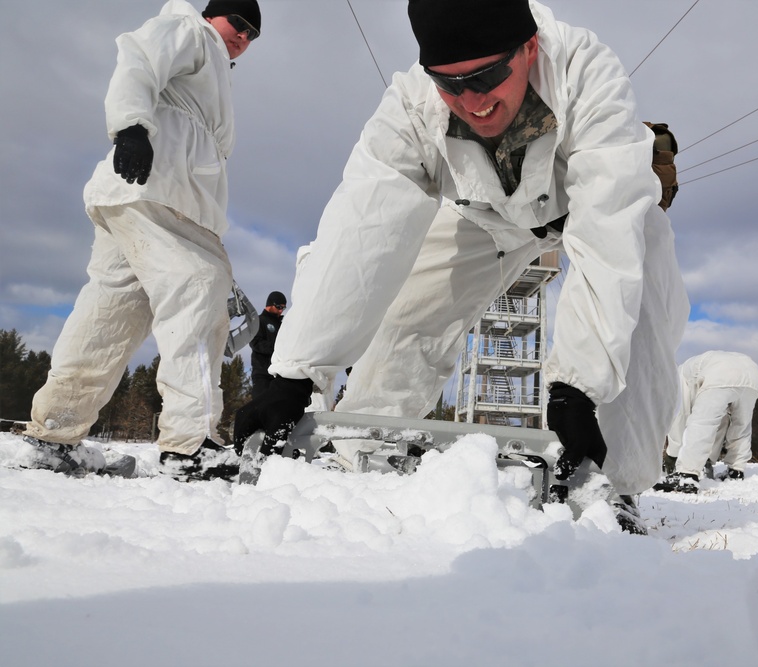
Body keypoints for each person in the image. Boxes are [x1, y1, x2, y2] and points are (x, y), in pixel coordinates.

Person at [235, 0, 689, 526]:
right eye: (450, 84)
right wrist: (295, 371)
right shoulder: (412, 107)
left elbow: (605, 230)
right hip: (485, 213)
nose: (472, 101)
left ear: (529, 48)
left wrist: (577, 388)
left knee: (635, 304)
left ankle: (610, 483)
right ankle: (363, 452)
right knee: (408, 309)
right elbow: (361, 230)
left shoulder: (586, 74)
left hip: (592, 208)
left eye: (488, 76)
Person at [21, 0, 262, 481]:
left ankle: (54, 433)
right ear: (214, 15)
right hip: (161, 192)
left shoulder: (213, 67)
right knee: (199, 286)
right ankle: (189, 445)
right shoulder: (191, 32)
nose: (244, 37)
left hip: (140, 198)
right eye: (238, 23)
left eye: (253, 34)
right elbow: (140, 58)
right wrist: (132, 126)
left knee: (110, 313)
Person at [656, 351, 758, 494]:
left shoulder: (678, 378)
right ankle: (736, 470)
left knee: (702, 422)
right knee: (741, 425)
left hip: (722, 374)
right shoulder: (692, 367)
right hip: (753, 375)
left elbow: (681, 417)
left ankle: (687, 475)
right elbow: (720, 423)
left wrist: (672, 455)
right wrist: (708, 459)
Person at [250, 291, 286, 398]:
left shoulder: (281, 325)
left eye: (283, 308)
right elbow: (256, 343)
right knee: (261, 405)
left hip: (279, 374)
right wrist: (277, 349)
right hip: (262, 374)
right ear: (270, 304)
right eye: (279, 307)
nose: (281, 310)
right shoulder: (259, 321)